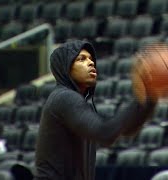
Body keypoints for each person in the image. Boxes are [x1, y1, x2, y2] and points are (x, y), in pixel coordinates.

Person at [34, 40, 158, 180]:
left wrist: (150, 98)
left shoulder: (78, 103)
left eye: (91, 59)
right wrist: (142, 97)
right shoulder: (64, 98)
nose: (91, 63)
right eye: (81, 59)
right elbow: (105, 132)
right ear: (66, 68)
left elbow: (124, 129)